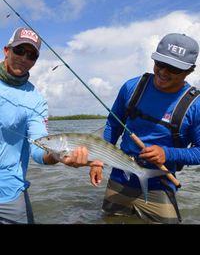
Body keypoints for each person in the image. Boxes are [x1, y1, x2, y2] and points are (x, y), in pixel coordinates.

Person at [89, 33, 200, 224]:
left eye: (173, 68)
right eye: (160, 63)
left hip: (160, 183)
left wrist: (167, 154)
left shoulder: (196, 105)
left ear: (189, 70)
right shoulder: (131, 87)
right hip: (120, 178)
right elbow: (112, 125)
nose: (163, 72)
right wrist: (98, 159)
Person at [0, 27, 103, 224]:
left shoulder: (36, 100)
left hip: (9, 192)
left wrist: (56, 156)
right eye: (19, 51)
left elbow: (39, 149)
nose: (24, 58)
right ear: (7, 50)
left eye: (31, 55)